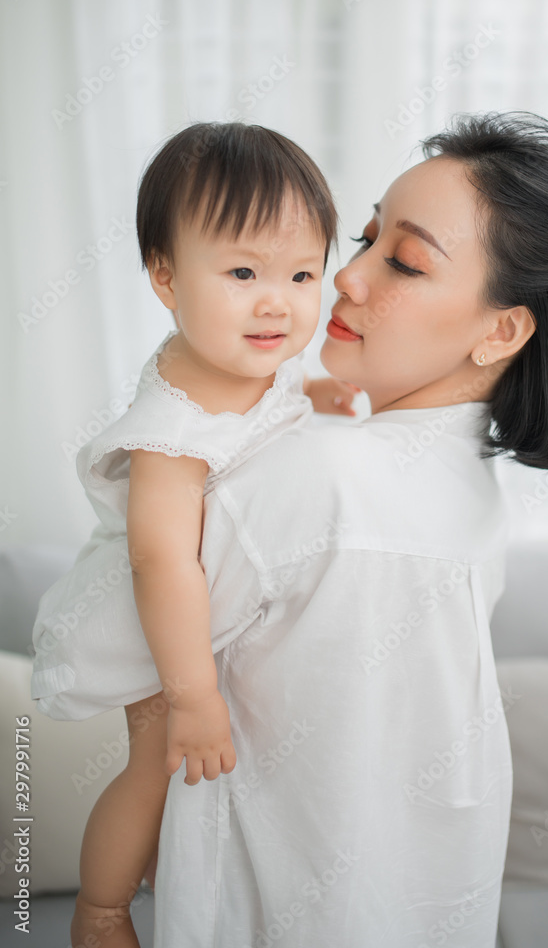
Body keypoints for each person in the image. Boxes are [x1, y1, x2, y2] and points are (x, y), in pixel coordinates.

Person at [151, 112, 548, 948]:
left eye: (402, 261)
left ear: (502, 330)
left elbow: (115, 646)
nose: (346, 277)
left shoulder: (329, 479)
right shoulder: (452, 479)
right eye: (366, 238)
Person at [29, 121, 360, 948]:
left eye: (301, 273)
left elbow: (284, 388)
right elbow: (159, 558)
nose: (276, 300)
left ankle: (149, 863)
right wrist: (192, 696)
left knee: (187, 781)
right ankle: (100, 912)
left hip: (194, 607)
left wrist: (315, 397)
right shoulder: (170, 429)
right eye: (243, 271)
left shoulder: (251, 356)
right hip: (150, 618)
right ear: (166, 278)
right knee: (152, 766)